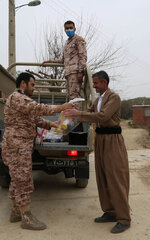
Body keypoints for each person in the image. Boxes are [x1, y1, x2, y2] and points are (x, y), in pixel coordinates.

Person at [2, 72, 73, 230]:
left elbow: (34, 119)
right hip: (17, 147)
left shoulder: (20, 101)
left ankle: (15, 211)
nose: (34, 88)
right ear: (23, 84)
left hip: (19, 146)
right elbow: (38, 108)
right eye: (32, 85)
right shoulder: (18, 98)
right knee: (23, 180)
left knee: (16, 179)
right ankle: (26, 217)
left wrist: (52, 125)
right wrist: (62, 107)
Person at [63, 71, 131, 234]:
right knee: (102, 177)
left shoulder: (114, 98)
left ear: (105, 82)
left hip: (112, 139)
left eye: (96, 83)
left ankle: (124, 218)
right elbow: (89, 113)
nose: (93, 86)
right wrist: (70, 115)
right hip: (100, 139)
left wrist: (78, 114)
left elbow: (102, 116)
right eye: (93, 83)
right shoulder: (98, 99)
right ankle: (110, 212)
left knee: (115, 177)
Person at [43, 20, 87, 109]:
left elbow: (83, 56)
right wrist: (50, 62)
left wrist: (80, 71)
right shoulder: (67, 43)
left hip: (75, 72)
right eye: (67, 28)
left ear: (75, 29)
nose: (69, 30)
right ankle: (71, 119)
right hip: (68, 73)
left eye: (71, 28)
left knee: (75, 97)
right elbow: (63, 60)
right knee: (70, 97)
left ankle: (77, 119)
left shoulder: (79, 40)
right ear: (64, 30)